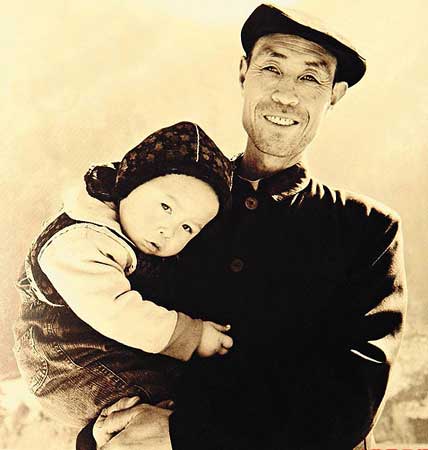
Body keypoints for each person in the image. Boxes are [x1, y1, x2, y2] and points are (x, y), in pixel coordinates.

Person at [78, 4, 407, 450]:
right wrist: (97, 434)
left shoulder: (368, 231)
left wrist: (183, 432)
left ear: (335, 94)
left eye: (310, 77)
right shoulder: (168, 202)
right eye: (271, 68)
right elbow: (84, 324)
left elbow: (348, 405)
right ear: (242, 73)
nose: (286, 95)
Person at [12, 121, 234, 427]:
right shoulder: (81, 241)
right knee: (159, 410)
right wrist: (190, 335)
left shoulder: (136, 229)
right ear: (130, 184)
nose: (168, 230)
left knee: (192, 387)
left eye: (187, 227)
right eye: (166, 207)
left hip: (113, 347)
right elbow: (118, 313)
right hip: (68, 364)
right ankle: (119, 433)